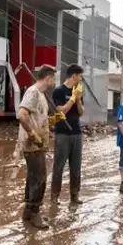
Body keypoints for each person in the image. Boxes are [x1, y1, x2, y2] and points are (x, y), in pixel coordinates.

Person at [16, 64, 59, 229]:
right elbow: (22, 115)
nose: (53, 81)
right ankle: (35, 213)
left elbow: (37, 117)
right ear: (48, 78)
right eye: (53, 78)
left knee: (33, 177)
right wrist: (32, 134)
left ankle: (27, 213)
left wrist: (53, 121)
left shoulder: (40, 94)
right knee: (40, 178)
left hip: (38, 143)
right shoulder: (33, 92)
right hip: (32, 143)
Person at [50, 64, 85, 206]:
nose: (81, 80)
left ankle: (74, 195)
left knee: (76, 167)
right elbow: (61, 111)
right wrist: (72, 98)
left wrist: (77, 99)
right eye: (80, 77)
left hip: (77, 132)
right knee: (59, 166)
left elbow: (81, 112)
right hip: (62, 133)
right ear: (74, 76)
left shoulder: (78, 91)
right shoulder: (58, 91)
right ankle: (54, 196)